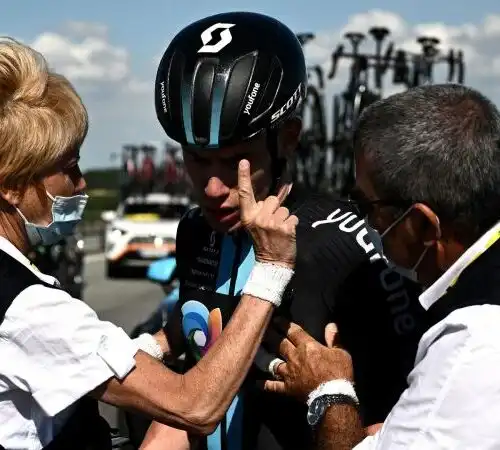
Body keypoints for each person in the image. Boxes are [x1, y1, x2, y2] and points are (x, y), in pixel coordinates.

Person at [0, 37, 300, 450]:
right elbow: (195, 406)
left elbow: (71, 361)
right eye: (69, 168)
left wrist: (161, 342)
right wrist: (270, 268)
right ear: (13, 187)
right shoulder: (27, 307)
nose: (82, 183)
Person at [144, 11, 425, 450]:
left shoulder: (343, 240)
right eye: (197, 159)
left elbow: (416, 397)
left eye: (237, 160)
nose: (214, 187)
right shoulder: (195, 232)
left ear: (288, 138)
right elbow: (199, 362)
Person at [265, 83, 500, 449]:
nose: (366, 225)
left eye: (367, 207)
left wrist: (330, 390)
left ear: (423, 225)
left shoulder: (470, 348)